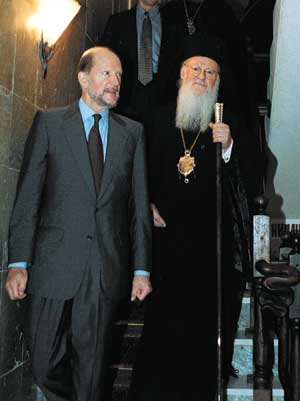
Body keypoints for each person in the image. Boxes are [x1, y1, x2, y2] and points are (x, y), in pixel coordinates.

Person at [5, 46, 152, 401]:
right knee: (42, 363)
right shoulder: (50, 124)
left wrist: (142, 270)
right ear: (82, 77)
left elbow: (138, 207)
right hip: (53, 265)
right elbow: (28, 198)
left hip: (104, 270)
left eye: (119, 76)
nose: (116, 82)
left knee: (91, 373)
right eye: (107, 74)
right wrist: (18, 262)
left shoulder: (132, 133)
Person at [128, 33, 262, 401]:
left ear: (218, 82)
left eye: (211, 73)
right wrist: (146, 204)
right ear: (181, 75)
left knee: (203, 335)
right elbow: (134, 170)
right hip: (165, 242)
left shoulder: (228, 122)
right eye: (196, 70)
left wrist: (231, 146)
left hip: (210, 247)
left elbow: (255, 175)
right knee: (161, 332)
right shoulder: (156, 119)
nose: (203, 78)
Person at [100, 0, 181, 129]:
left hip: (162, 100)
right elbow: (103, 59)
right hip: (126, 99)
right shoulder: (117, 22)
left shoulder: (175, 24)